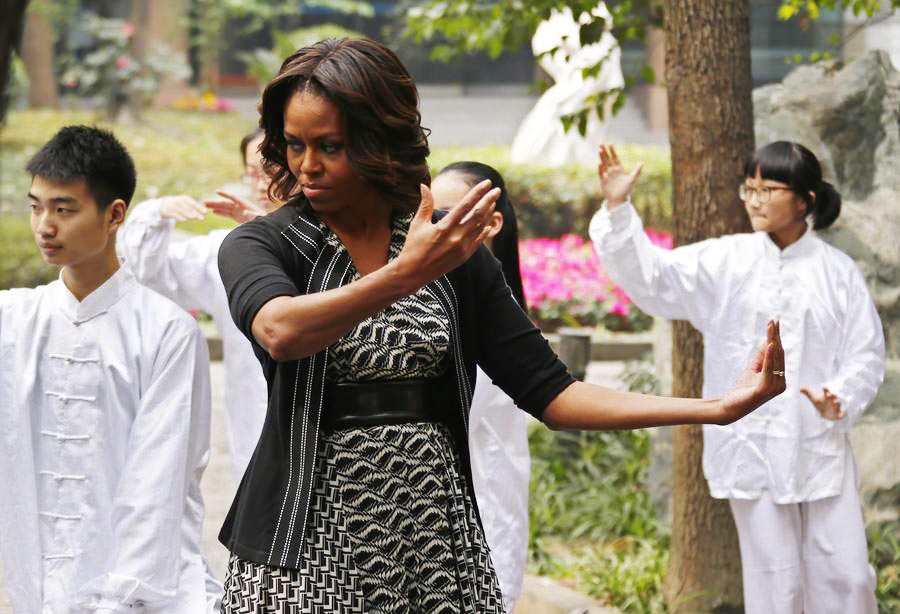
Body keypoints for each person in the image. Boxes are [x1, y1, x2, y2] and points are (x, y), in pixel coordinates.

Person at [215, 38, 785, 614]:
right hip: (304, 547)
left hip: (435, 544)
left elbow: (553, 394)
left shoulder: (451, 249)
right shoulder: (265, 245)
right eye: (294, 144)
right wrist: (406, 273)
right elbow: (281, 331)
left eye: (329, 146)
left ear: (376, 140)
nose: (307, 165)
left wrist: (712, 409)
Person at [590, 142, 884, 614]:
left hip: (819, 444)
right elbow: (653, 277)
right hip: (753, 448)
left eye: (767, 188)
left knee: (847, 579)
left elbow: (866, 352)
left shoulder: (838, 272)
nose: (753, 199)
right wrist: (618, 207)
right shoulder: (725, 260)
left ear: (805, 199)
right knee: (776, 587)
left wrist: (839, 396)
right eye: (749, 187)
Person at [0, 126, 222, 612]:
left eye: (64, 209)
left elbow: (158, 483)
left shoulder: (165, 331)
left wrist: (120, 601)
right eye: (36, 206)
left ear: (114, 214)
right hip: (39, 590)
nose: (44, 226)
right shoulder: (14, 321)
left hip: (151, 591)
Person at [118, 127, 277, 482]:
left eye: (271, 167)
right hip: (255, 425)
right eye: (252, 172)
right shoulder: (226, 250)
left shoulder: (340, 236)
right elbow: (146, 271)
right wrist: (157, 213)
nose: (262, 181)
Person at [431, 161, 530, 614]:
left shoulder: (499, 321)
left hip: (482, 524)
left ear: (492, 223)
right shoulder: (435, 302)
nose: (436, 224)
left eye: (449, 212)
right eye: (430, 212)